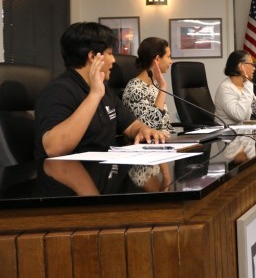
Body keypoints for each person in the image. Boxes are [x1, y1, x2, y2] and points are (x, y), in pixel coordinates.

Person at [34, 22, 169, 197]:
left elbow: (130, 125)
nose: (114, 60)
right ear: (92, 56)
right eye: (110, 54)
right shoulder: (58, 91)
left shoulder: (105, 91)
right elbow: (54, 148)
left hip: (105, 177)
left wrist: (144, 130)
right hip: (67, 194)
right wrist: (94, 95)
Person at [122, 37, 174, 192]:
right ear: (157, 59)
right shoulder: (135, 88)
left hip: (162, 149)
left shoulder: (153, 85)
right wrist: (163, 86)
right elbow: (151, 128)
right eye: (169, 56)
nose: (171, 61)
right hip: (143, 159)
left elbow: (164, 124)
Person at [214, 50, 256, 125]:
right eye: (251, 64)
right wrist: (248, 83)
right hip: (234, 135)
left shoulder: (245, 86)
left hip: (248, 134)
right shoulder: (225, 88)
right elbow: (239, 115)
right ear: (240, 66)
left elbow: (249, 117)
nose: (254, 68)